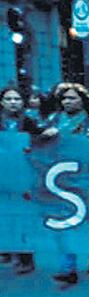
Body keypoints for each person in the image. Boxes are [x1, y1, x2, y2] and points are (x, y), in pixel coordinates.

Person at [42, 83, 89, 285]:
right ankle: (68, 268)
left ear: (83, 100)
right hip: (62, 180)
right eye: (64, 98)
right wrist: (44, 136)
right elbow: (38, 146)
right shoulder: (54, 120)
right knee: (65, 220)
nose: (67, 102)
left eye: (72, 98)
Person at [0, 86, 40, 274]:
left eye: (16, 99)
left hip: (23, 175)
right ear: (2, 102)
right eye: (8, 99)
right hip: (2, 175)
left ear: (23, 103)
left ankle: (26, 258)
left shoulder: (29, 122)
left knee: (23, 217)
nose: (13, 102)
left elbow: (41, 143)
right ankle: (7, 249)